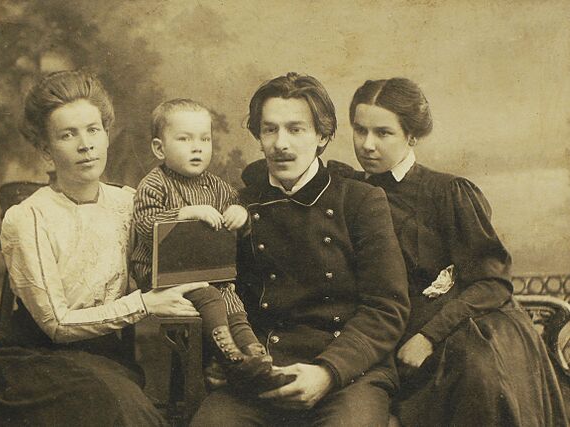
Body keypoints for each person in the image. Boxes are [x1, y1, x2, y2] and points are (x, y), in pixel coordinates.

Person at [0, 70, 209, 426]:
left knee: (124, 402)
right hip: (35, 365)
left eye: (93, 130)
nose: (86, 145)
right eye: (68, 135)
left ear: (106, 136)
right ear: (47, 151)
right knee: (122, 410)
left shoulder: (129, 205)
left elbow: (171, 266)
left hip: (108, 360)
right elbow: (57, 324)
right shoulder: (28, 218)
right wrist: (145, 303)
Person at [329, 77, 568, 426]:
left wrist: (428, 337)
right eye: (360, 130)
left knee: (480, 375)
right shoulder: (348, 190)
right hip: (390, 335)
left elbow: (493, 282)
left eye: (383, 133)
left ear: (411, 136)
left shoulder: (447, 193)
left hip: (467, 329)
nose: (367, 145)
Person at [190, 72, 410, 427]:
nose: (281, 143)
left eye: (296, 129)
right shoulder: (238, 206)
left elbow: (386, 307)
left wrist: (327, 372)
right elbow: (221, 294)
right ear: (258, 136)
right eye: (270, 130)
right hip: (263, 371)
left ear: (322, 135)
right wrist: (228, 360)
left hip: (349, 373)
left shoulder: (360, 200)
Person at [131, 99, 286, 389]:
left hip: (207, 271)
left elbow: (238, 214)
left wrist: (240, 215)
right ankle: (227, 356)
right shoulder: (154, 184)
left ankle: (253, 353)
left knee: (230, 297)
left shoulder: (217, 186)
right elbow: (144, 224)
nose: (197, 148)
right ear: (159, 149)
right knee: (210, 295)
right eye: (184, 139)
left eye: (204, 139)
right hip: (162, 275)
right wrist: (183, 213)